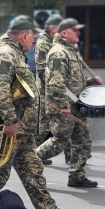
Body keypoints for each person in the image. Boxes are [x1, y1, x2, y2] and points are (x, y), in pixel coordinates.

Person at [0, 17, 77, 209]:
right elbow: (0, 89)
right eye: (33, 36)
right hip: (9, 128)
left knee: (33, 171)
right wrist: (10, 120)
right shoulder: (5, 54)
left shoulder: (14, 52)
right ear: (24, 35)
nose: (35, 41)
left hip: (23, 129)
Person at [37, 18, 100, 188]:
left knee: (83, 141)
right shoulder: (59, 52)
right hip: (63, 106)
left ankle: (76, 175)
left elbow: (73, 81)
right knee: (60, 141)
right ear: (64, 33)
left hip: (76, 105)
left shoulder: (71, 51)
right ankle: (30, 162)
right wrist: (63, 106)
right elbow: (56, 84)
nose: (79, 33)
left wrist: (90, 81)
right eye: (75, 30)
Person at [34, 13, 61, 148]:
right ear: (52, 28)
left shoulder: (54, 42)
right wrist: (54, 86)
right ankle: (34, 153)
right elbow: (41, 69)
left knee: (60, 123)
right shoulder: (43, 43)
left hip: (55, 89)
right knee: (43, 124)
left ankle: (72, 157)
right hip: (45, 90)